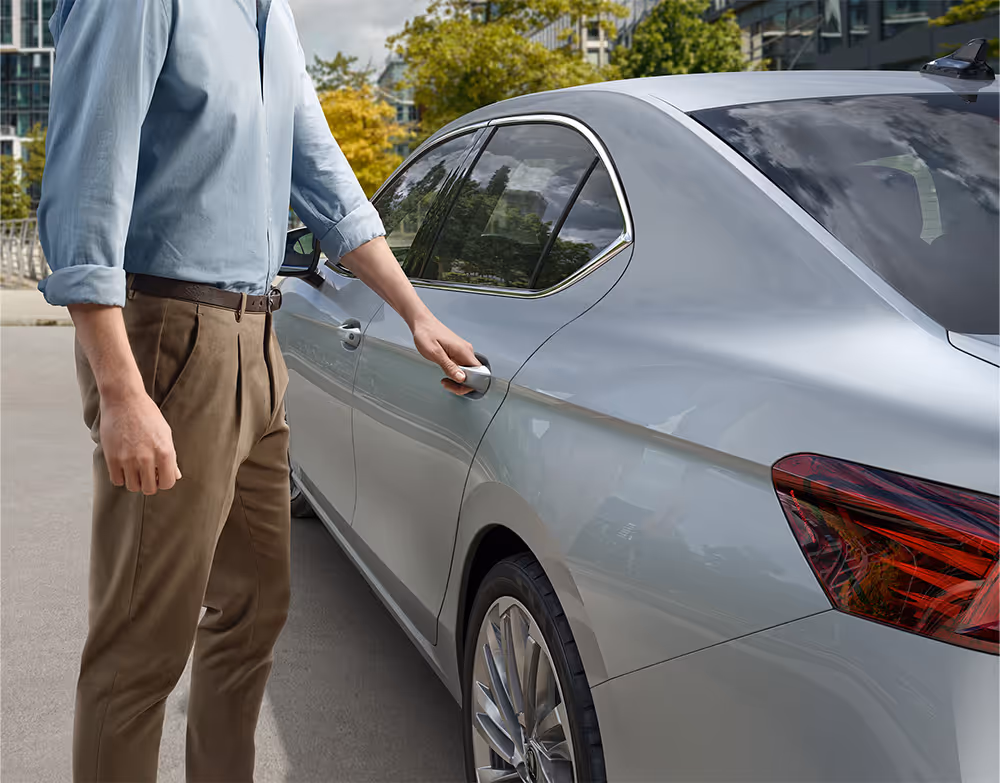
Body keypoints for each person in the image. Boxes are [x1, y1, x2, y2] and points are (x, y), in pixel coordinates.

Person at [37, 1, 478, 780]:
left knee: (252, 611)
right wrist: (120, 390)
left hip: (256, 335)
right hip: (166, 335)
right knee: (141, 643)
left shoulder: (270, 16)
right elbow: (86, 185)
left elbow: (324, 179)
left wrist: (414, 311)